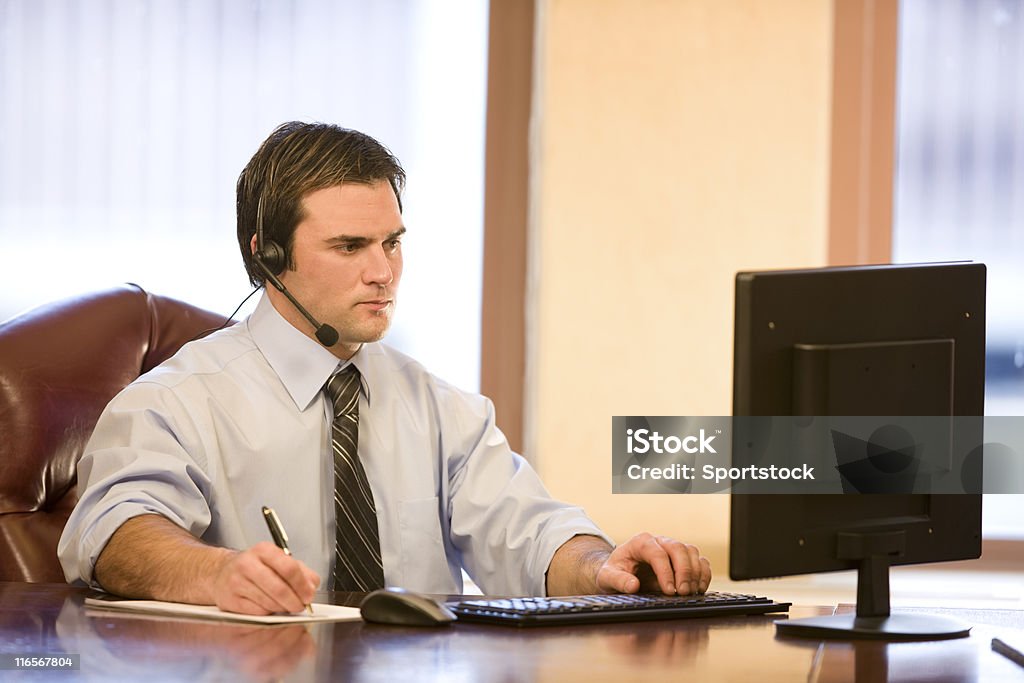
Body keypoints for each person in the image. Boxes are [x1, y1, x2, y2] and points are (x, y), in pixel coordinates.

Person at [58, 122, 712, 615]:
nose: (383, 271)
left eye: (392, 243)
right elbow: (114, 532)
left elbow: (530, 534)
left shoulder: (437, 405)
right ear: (268, 256)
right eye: (350, 246)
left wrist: (604, 567)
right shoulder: (176, 402)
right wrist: (216, 575)